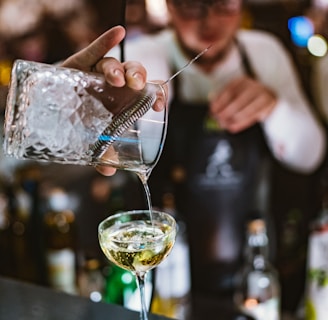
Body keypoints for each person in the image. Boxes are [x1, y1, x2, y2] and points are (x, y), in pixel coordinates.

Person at [61, 1, 327, 318]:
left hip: (248, 263)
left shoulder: (263, 52)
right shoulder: (146, 53)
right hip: (166, 272)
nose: (209, 19)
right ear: (170, 7)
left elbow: (311, 157)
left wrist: (273, 106)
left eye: (224, 4)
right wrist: (74, 102)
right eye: (192, 5)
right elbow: (132, 130)